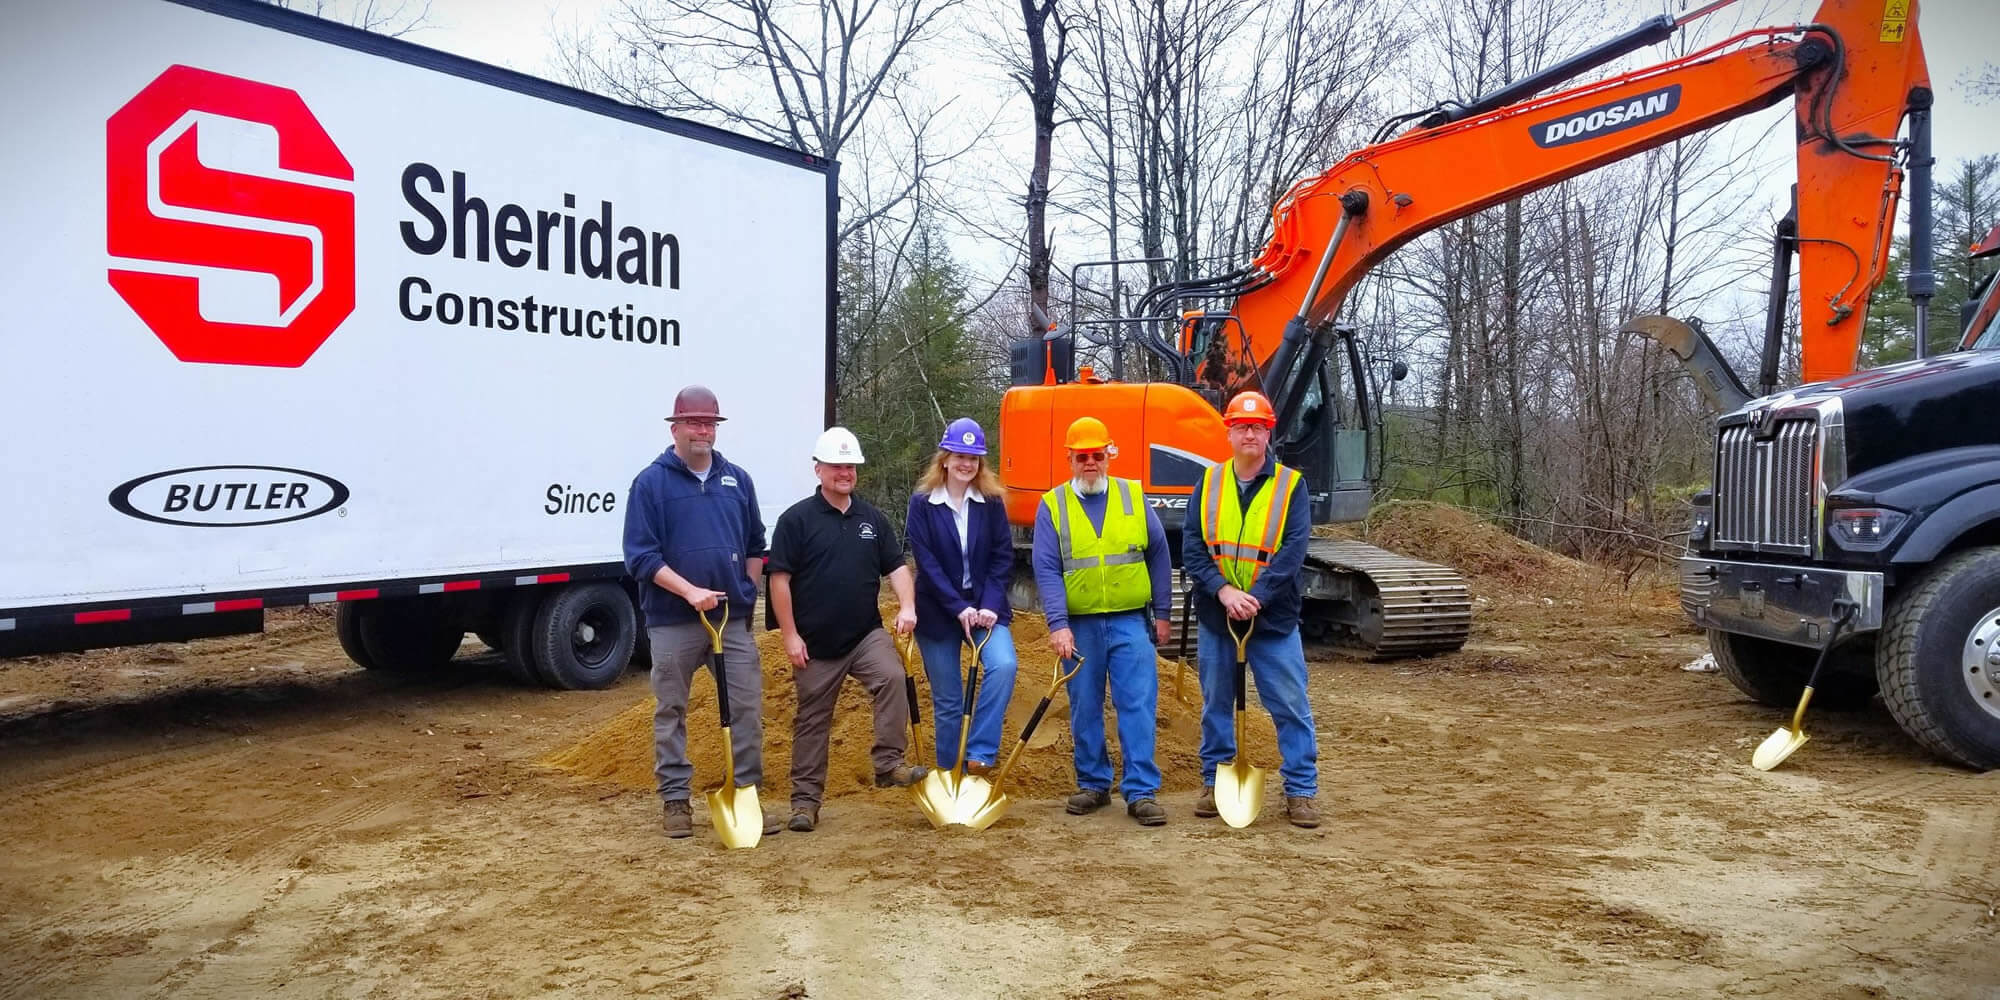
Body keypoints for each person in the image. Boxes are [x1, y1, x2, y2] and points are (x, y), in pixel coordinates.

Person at [621, 385, 782, 840]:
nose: (703, 431)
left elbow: (755, 542)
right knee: (672, 708)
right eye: (694, 422)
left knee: (747, 707)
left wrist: (748, 588)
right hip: (673, 621)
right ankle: (675, 799)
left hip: (729, 620)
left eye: (709, 423)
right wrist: (689, 591)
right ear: (675, 428)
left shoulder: (737, 480)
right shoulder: (651, 483)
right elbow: (640, 556)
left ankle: (746, 795)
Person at [766, 426, 927, 832]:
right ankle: (805, 803)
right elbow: (779, 580)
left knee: (891, 677)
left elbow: (896, 568)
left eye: (851, 466)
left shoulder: (871, 520)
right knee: (812, 720)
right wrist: (789, 635)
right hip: (815, 642)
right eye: (837, 465)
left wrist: (908, 605)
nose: (845, 473)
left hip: (863, 634)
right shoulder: (796, 520)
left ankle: (888, 763)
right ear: (818, 469)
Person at [1181, 390, 1321, 828]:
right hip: (1217, 615)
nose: (1249, 434)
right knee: (1216, 704)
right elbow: (1193, 546)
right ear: (1228, 432)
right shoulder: (1208, 483)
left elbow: (1292, 551)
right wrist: (1223, 591)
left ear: (1268, 433)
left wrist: (1256, 596)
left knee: (1289, 704)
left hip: (1273, 618)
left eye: (1257, 427)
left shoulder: (1290, 485)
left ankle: (1301, 791)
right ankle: (1214, 780)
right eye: (1241, 426)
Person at [1032, 416, 1175, 826]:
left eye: (1097, 455)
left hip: (1131, 621)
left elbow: (1159, 554)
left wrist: (1163, 614)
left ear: (1109, 455)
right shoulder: (1053, 505)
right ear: (1070, 459)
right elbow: (1046, 568)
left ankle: (1141, 791)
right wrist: (1057, 624)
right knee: (1084, 706)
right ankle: (1094, 783)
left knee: (1137, 705)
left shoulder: (1133, 495)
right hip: (1079, 626)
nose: (1090, 463)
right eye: (1082, 457)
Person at [904, 417, 1018, 775]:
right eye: (959, 456)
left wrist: (987, 605)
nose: (966, 464)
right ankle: (950, 774)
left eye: (973, 458)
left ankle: (979, 753)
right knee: (949, 700)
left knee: (1004, 665)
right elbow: (927, 562)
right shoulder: (922, 503)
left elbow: (1002, 556)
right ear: (945, 458)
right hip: (938, 612)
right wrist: (958, 607)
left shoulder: (991, 502)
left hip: (986, 607)